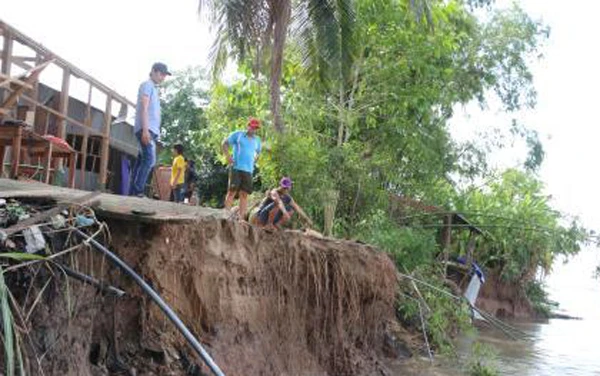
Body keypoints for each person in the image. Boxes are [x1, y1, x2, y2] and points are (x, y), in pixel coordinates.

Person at [129, 62, 171, 197]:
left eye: (164, 75)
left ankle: (133, 191)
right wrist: (145, 130)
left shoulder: (153, 88)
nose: (163, 77)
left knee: (142, 159)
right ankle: (138, 191)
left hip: (149, 130)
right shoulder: (147, 85)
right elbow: (144, 107)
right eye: (161, 74)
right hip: (145, 129)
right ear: (153, 71)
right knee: (149, 159)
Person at [222, 118, 262, 219]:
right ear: (248, 126)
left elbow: (259, 151)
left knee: (244, 194)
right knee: (232, 191)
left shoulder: (257, 140)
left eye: (256, 128)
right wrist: (228, 157)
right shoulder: (238, 134)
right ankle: (226, 216)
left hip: (248, 170)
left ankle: (241, 218)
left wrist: (255, 161)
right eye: (252, 127)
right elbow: (224, 143)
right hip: (236, 167)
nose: (254, 129)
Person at [250, 177, 314, 230]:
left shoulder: (287, 196)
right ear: (283, 187)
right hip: (261, 215)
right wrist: (285, 212)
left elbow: (296, 207)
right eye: (287, 188)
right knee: (277, 204)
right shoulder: (274, 192)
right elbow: (279, 202)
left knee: (291, 209)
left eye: (289, 188)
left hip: (269, 216)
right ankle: (268, 225)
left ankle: (276, 224)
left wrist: (307, 219)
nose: (288, 189)